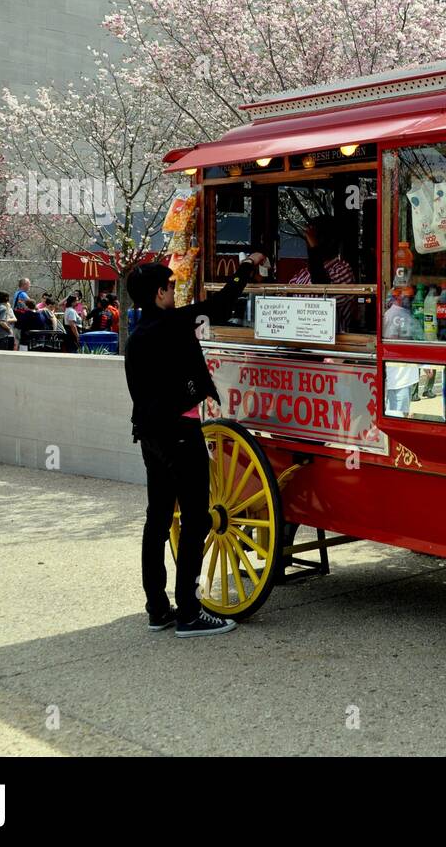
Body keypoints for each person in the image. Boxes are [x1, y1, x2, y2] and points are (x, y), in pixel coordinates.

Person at [125, 251, 267, 637]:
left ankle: (158, 607)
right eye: (171, 287)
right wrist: (245, 268)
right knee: (196, 519)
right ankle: (188, 611)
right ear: (158, 293)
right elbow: (220, 305)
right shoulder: (170, 325)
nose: (175, 291)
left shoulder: (136, 337)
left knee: (157, 519)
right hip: (181, 434)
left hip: (150, 436)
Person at [289, 219, 356, 330]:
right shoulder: (304, 273)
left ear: (331, 241)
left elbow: (321, 292)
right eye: (308, 240)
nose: (309, 244)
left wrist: (314, 249)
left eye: (315, 239)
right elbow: (286, 297)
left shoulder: (343, 269)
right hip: (301, 335)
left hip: (331, 341)